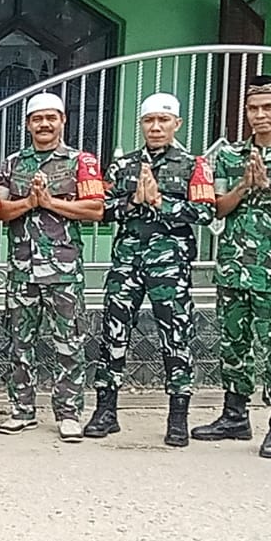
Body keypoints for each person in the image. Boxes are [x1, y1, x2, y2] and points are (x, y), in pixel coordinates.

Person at [193, 75, 271, 458]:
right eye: (253, 108)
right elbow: (216, 209)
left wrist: (269, 186)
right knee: (233, 343)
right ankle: (234, 416)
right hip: (233, 269)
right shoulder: (229, 156)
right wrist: (243, 187)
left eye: (268, 107)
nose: (260, 114)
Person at [85, 92, 215, 447]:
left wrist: (161, 202)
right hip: (127, 260)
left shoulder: (194, 166)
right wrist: (132, 201)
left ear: (177, 124)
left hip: (170, 263)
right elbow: (101, 209)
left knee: (176, 336)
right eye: (149, 120)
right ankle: (105, 411)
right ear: (141, 124)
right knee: (113, 332)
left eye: (163, 120)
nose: (155, 127)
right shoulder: (123, 166)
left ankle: (177, 417)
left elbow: (206, 212)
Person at [0, 92, 105, 443]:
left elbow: (95, 209)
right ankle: (22, 410)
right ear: (28, 124)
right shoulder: (12, 164)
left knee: (69, 344)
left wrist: (51, 202)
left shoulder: (81, 162)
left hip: (64, 270)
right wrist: (29, 202)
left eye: (51, 118)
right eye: (37, 119)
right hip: (22, 269)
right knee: (19, 344)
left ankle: (69, 414)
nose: (44, 124)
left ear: (62, 121)